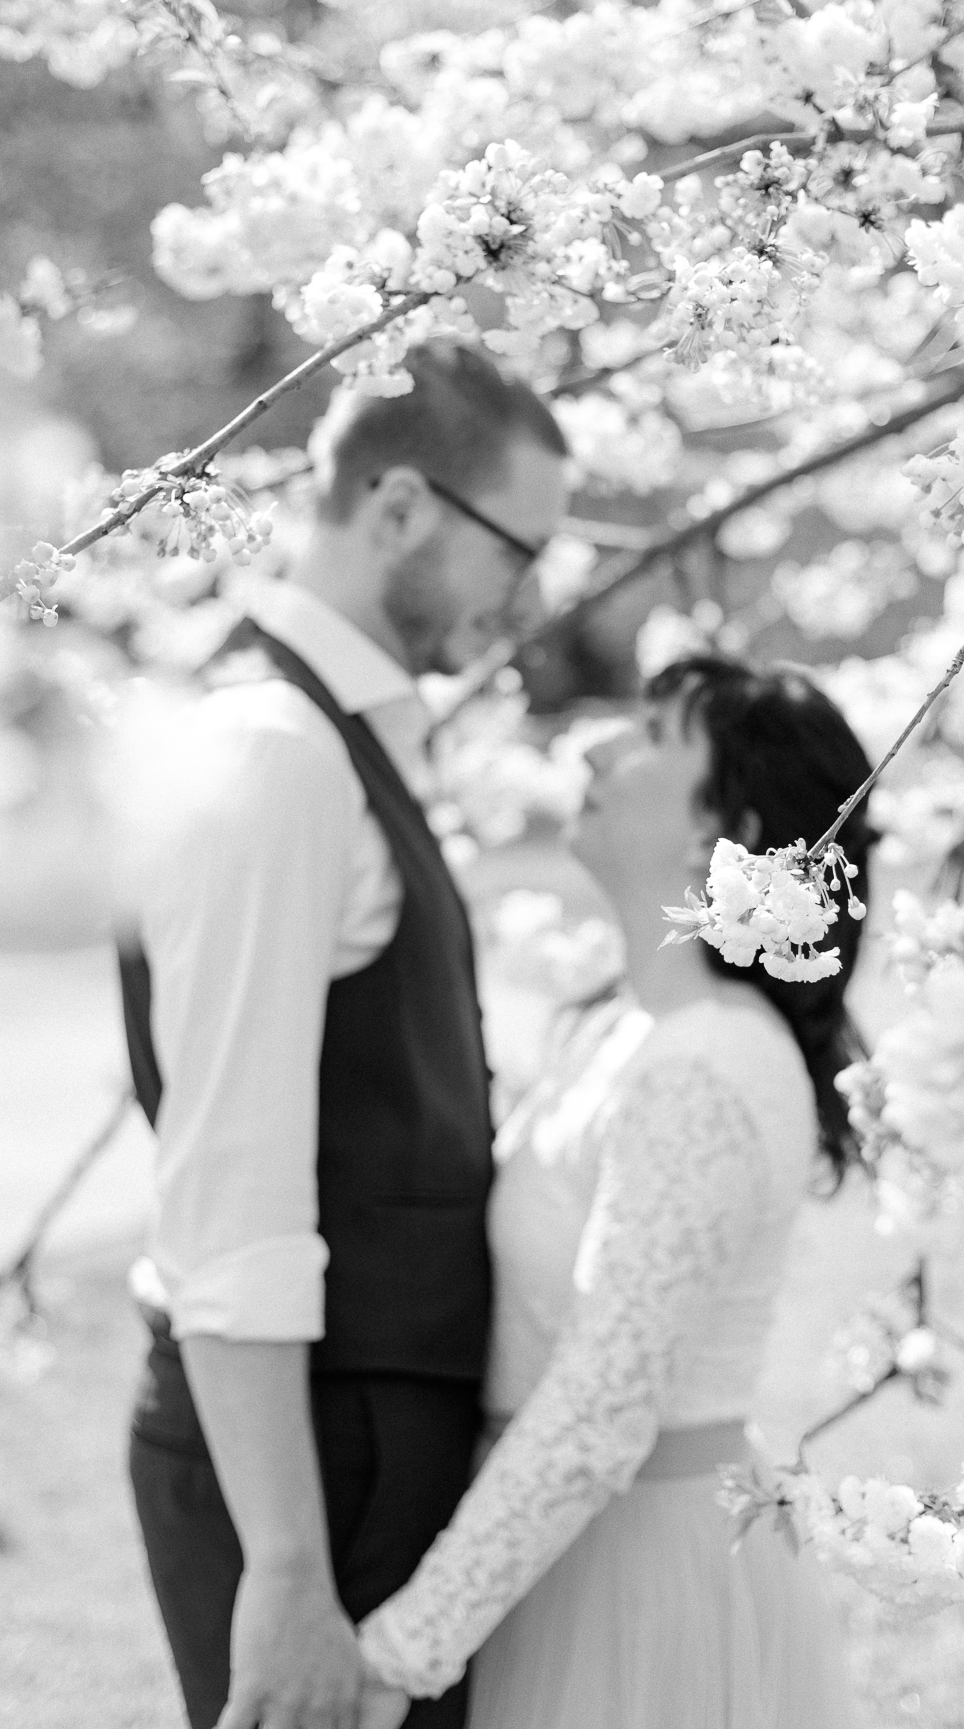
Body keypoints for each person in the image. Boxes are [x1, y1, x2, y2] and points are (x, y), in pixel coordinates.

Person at [119, 340, 570, 1729]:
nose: (528, 599)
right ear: (399, 511)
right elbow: (231, 1175)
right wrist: (289, 1566)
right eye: (515, 549)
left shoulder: (324, 733)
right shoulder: (277, 749)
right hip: (322, 1443)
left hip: (361, 1419)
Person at [356, 654, 875, 1729]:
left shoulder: (709, 1065)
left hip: (639, 1581)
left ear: (716, 827)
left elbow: (602, 1409)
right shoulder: (622, 1028)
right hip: (569, 1552)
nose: (594, 748)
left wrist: (404, 1651)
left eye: (648, 735)